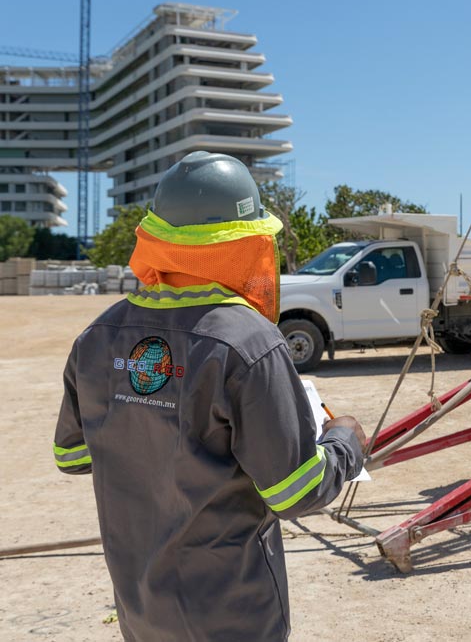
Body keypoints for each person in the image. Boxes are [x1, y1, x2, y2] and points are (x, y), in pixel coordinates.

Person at [53, 151, 366, 641]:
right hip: (231, 616)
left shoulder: (97, 337)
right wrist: (345, 441)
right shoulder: (249, 342)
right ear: (245, 245)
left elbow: (71, 456)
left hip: (141, 611)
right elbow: (296, 491)